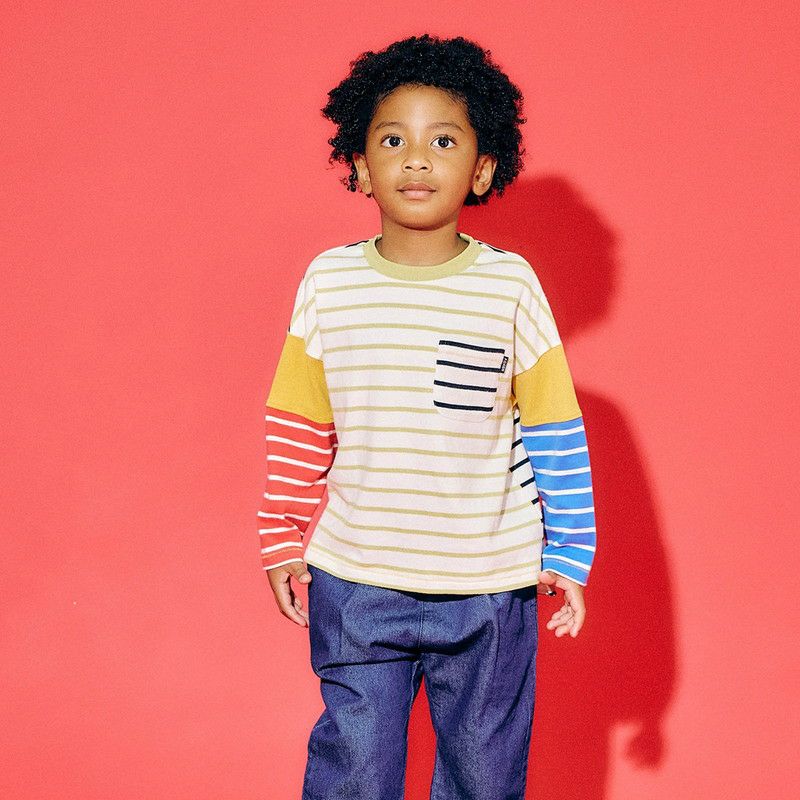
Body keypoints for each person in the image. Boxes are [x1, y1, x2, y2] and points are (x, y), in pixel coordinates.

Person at [256, 33, 597, 800]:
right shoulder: (329, 283)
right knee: (353, 773)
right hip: (357, 580)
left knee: (484, 777)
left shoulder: (510, 287)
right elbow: (300, 419)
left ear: (482, 169)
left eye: (442, 141)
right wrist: (279, 533)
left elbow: (554, 427)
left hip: (488, 584)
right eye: (393, 141)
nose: (416, 159)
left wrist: (571, 551)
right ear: (358, 165)